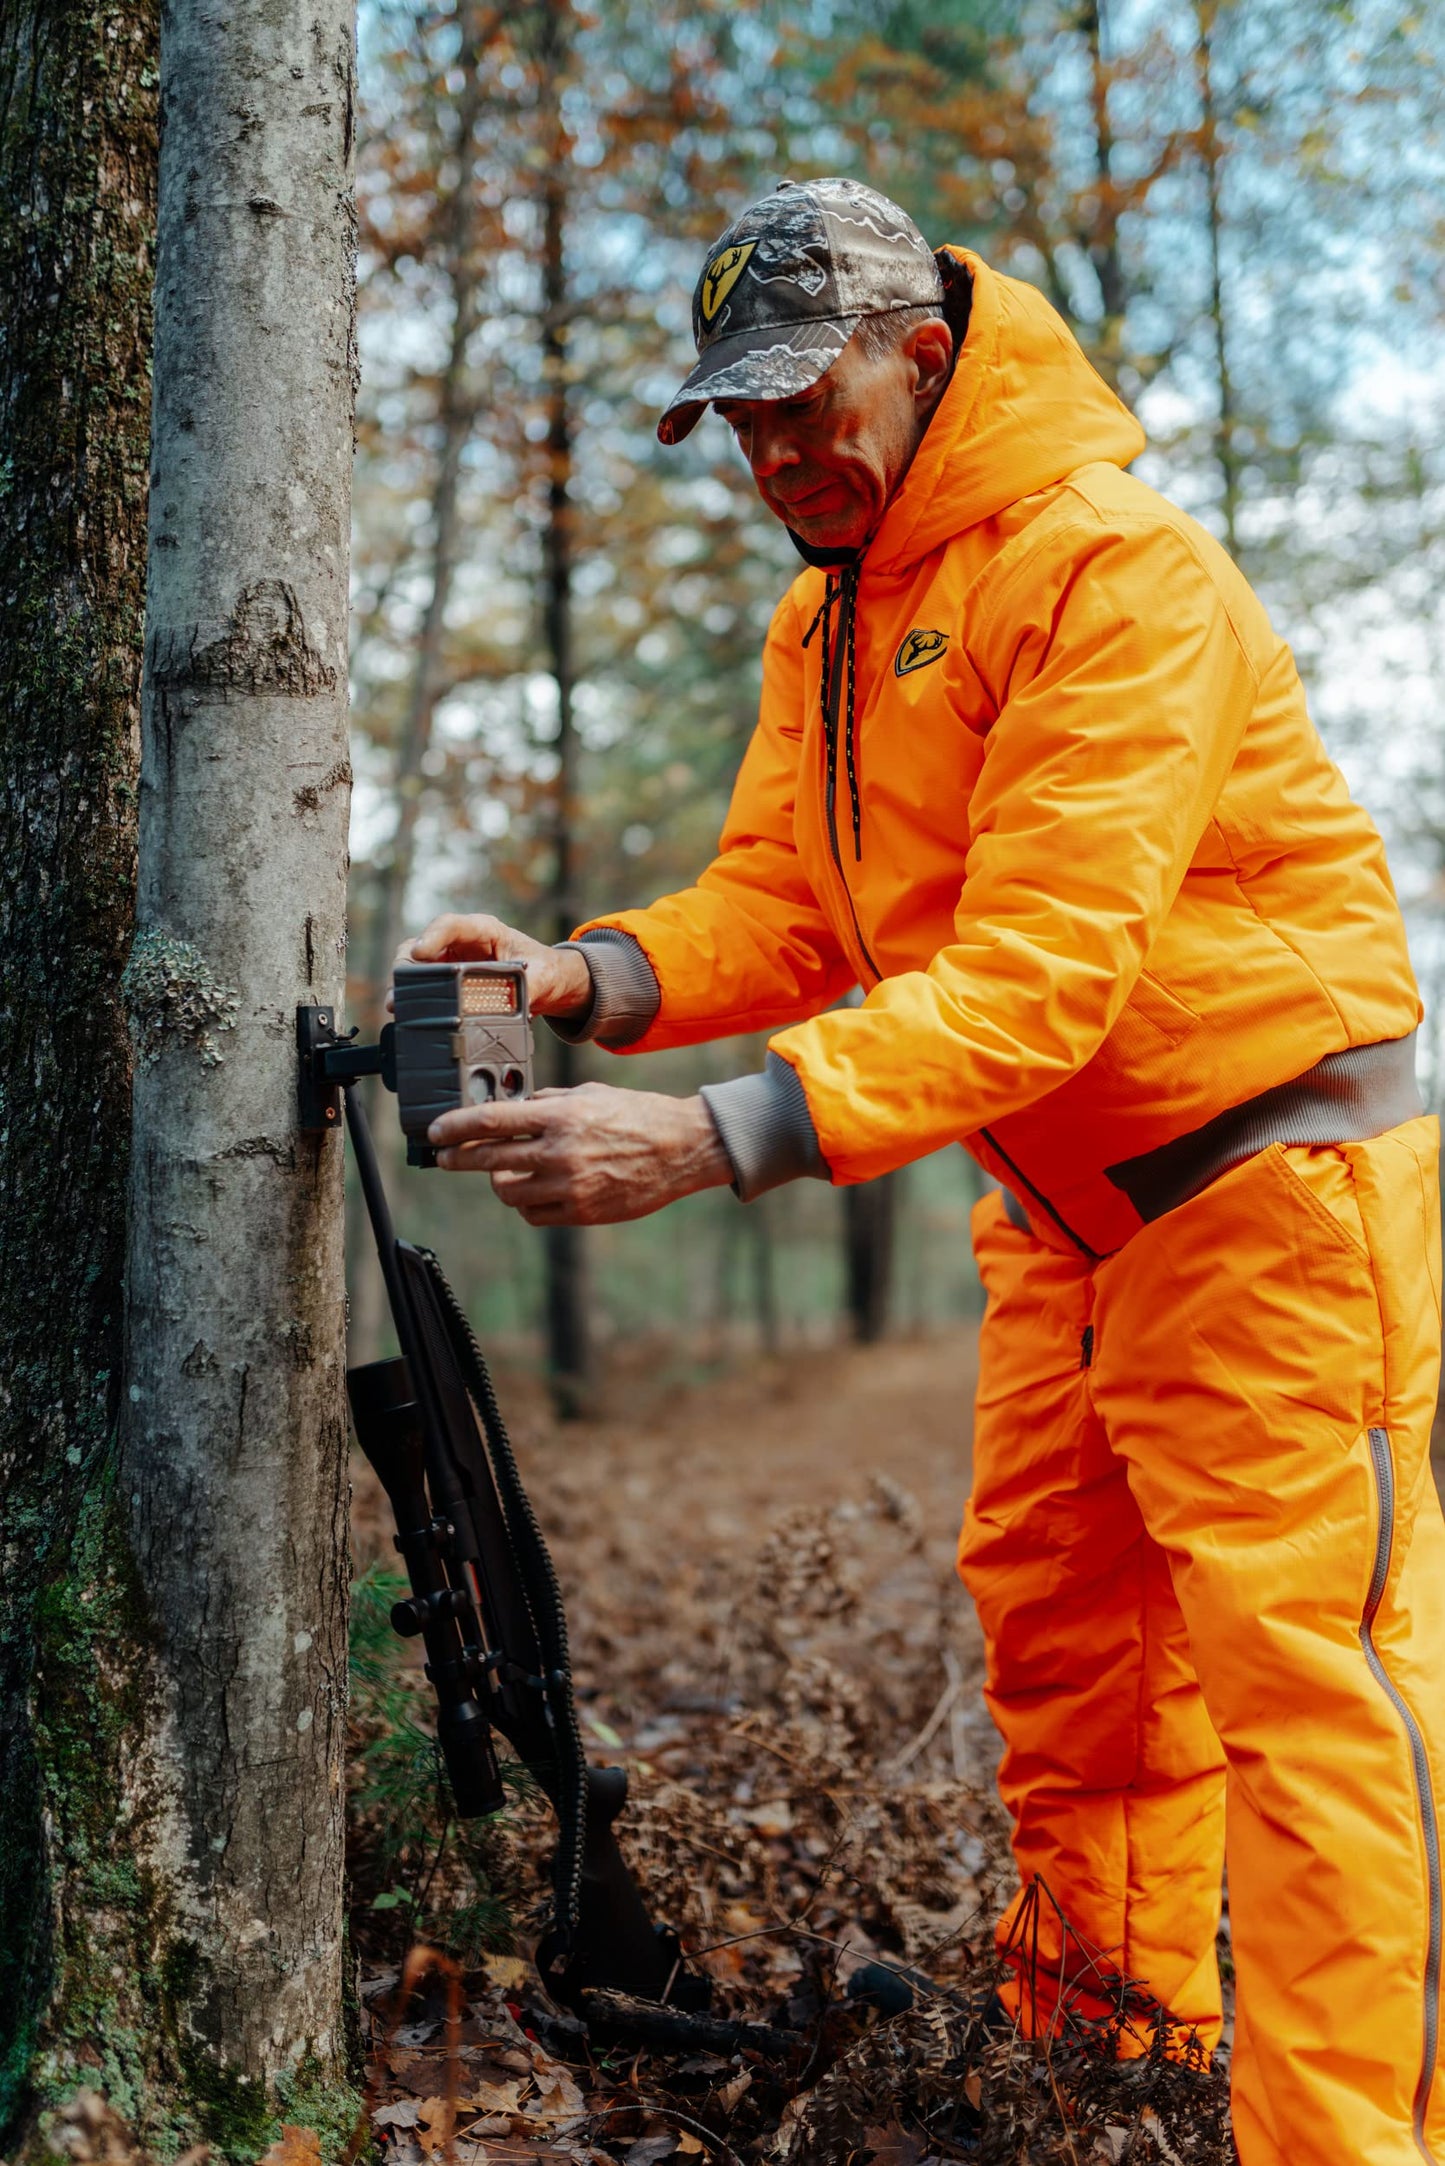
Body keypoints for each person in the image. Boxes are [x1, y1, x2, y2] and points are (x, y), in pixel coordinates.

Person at [398, 178, 1445, 2163]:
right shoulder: (830, 618)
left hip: (1265, 1192)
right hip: (1062, 1222)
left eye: (806, 407)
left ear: (925, 358)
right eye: (742, 424)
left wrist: (712, 1137)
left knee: (1307, 1694)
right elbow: (789, 903)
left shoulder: (1111, 570)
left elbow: (1044, 971)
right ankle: (1109, 2074)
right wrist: (585, 970)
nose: (776, 458)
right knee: (1071, 1666)